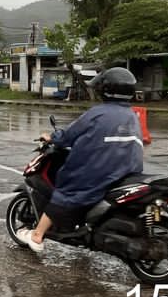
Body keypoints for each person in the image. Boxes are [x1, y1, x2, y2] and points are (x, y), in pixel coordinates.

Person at [15, 67, 144, 255]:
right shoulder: (132, 115)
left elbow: (69, 135)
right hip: (127, 171)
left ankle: (37, 235)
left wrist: (52, 137)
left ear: (104, 90)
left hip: (102, 171)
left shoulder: (98, 113)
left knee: (67, 189)